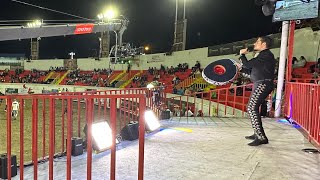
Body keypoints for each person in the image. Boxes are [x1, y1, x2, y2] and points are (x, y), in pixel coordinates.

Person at [238, 36, 276, 146]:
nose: (255, 43)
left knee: (251, 107)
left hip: (263, 83)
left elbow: (248, 64)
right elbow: (251, 72)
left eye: (257, 42)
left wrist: (242, 54)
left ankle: (261, 137)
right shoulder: (263, 56)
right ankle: (257, 133)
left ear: (264, 44)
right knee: (252, 107)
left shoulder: (266, 55)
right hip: (260, 83)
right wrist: (240, 69)